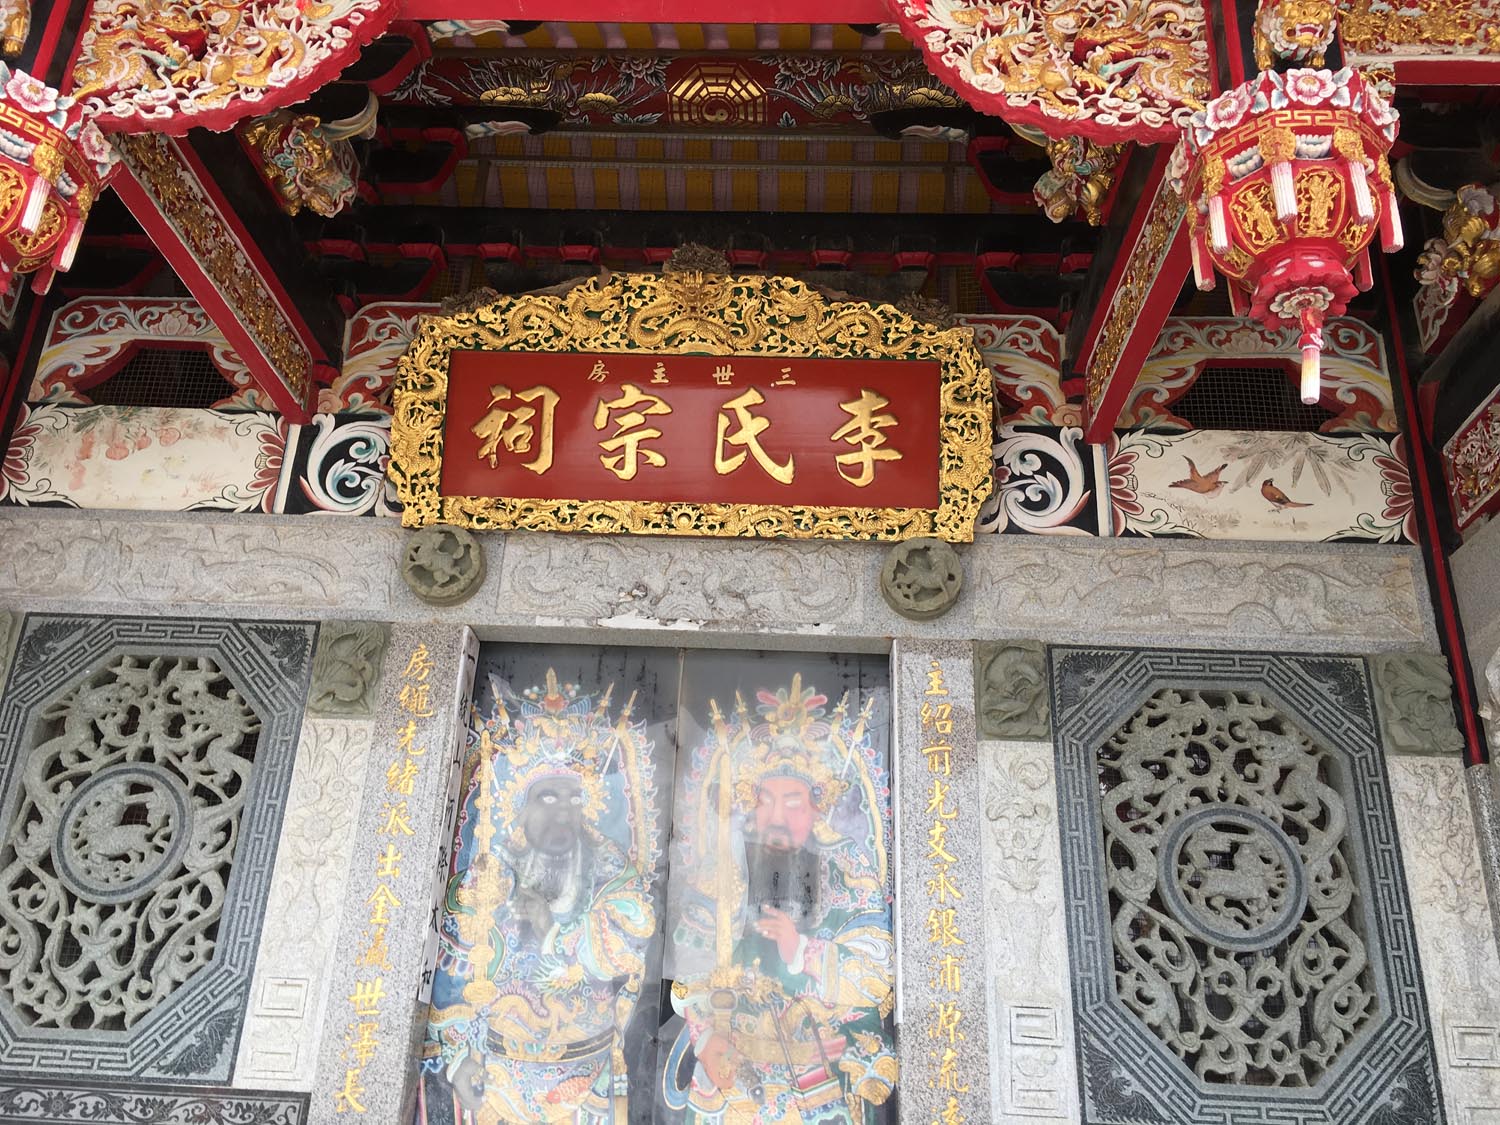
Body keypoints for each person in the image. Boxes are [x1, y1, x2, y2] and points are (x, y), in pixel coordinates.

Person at [422, 671, 661, 1125]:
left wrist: (555, 933)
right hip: (499, 1079)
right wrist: (457, 1059)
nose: (563, 811)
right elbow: (451, 971)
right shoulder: (490, 874)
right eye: (548, 797)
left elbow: (631, 945)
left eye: (574, 798)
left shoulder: (610, 869)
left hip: (586, 1077)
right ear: (521, 806)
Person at [663, 677, 898, 1125]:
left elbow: (876, 975)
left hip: (820, 1073)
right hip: (731, 1070)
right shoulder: (725, 869)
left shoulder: (848, 872)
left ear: (817, 808)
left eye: (792, 803)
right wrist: (705, 1036)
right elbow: (687, 970)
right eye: (765, 801)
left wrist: (802, 951)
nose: (776, 816)